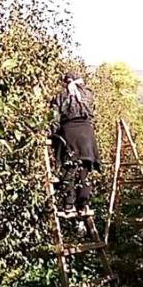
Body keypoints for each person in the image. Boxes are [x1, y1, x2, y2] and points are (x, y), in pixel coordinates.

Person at [51, 72, 102, 227]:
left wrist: (53, 135)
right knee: (85, 169)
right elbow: (92, 114)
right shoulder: (88, 93)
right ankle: (83, 204)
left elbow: (54, 119)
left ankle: (69, 205)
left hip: (70, 133)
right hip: (87, 133)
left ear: (65, 82)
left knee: (69, 169)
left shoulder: (61, 96)